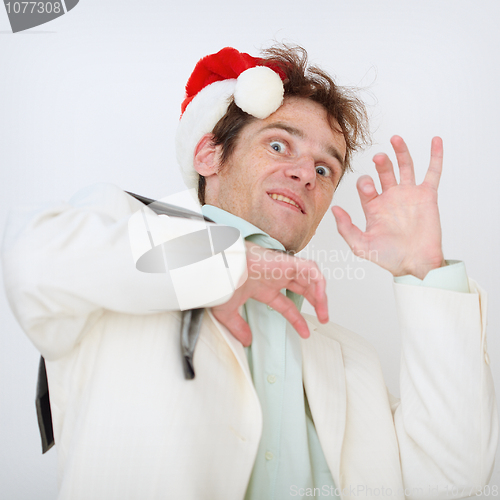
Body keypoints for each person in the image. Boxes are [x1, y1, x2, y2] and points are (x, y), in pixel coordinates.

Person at [2, 44, 497, 500]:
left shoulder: (353, 360)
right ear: (208, 154)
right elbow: (33, 262)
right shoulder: (116, 237)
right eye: (280, 145)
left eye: (325, 169)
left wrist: (424, 269)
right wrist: (227, 264)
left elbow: (453, 477)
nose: (306, 173)